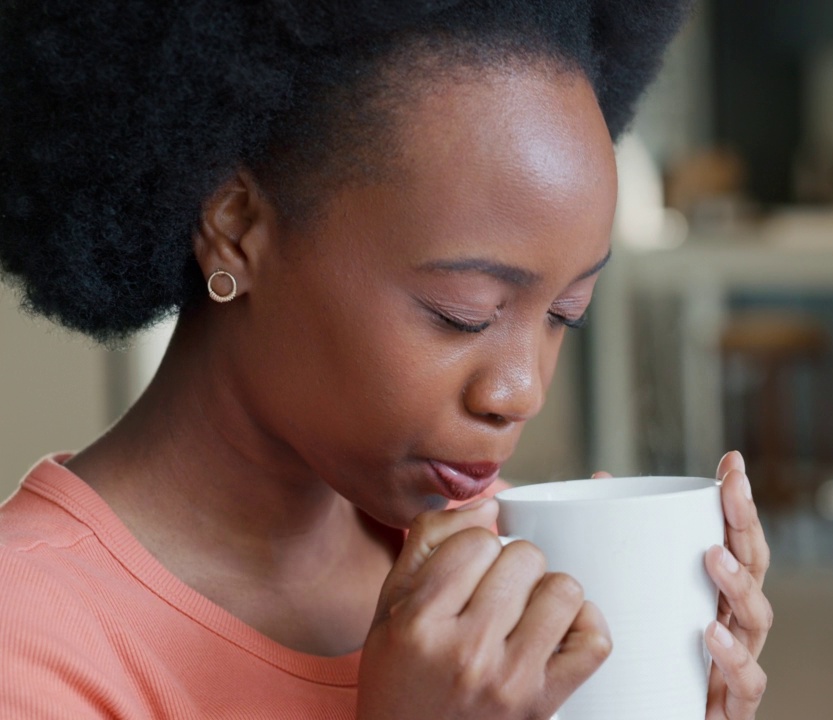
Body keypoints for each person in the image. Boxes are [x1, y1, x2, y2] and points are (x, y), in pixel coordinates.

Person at [0, 1, 773, 718]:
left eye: (565, 314)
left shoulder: (492, 568)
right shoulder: (32, 641)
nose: (521, 391)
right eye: (462, 313)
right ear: (237, 227)